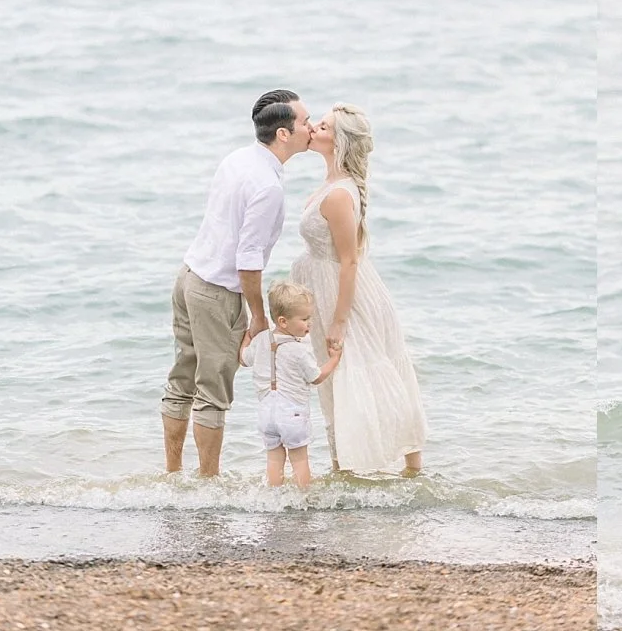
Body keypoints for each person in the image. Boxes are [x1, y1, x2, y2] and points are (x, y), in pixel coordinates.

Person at [161, 89, 311, 478]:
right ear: (283, 134)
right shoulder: (268, 186)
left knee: (181, 381)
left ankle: (173, 475)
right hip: (216, 293)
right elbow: (248, 259)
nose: (311, 128)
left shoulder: (237, 159)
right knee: (213, 393)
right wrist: (258, 317)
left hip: (189, 276)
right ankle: (207, 483)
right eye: (306, 122)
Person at [291, 104, 428, 475]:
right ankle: (344, 469)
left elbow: (349, 261)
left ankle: (403, 469)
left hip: (344, 295)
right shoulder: (331, 185)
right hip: (325, 290)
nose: (313, 128)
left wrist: (339, 321)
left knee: (358, 371)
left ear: (339, 142)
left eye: (323, 127)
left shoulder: (338, 195)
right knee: (339, 377)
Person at [241, 281, 344, 489]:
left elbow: (243, 359)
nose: (309, 323)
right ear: (283, 321)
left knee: (274, 459)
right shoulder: (300, 350)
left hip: (266, 413)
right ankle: (304, 496)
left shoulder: (261, 340)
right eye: (304, 319)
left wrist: (246, 337)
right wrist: (334, 360)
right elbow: (316, 377)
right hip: (292, 414)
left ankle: (274, 496)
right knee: (299, 460)